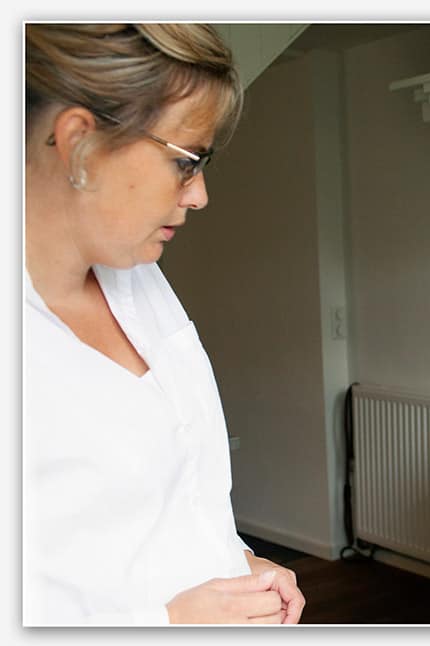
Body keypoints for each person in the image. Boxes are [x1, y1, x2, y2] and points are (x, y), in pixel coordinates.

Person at [24, 23, 305, 625]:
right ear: (78, 143)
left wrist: (237, 563)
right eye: (186, 162)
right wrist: (167, 623)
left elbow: (168, 504)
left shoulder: (137, 277)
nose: (199, 194)